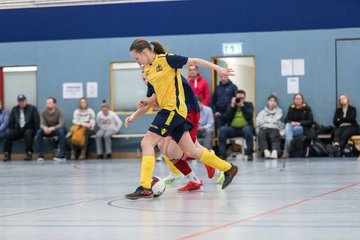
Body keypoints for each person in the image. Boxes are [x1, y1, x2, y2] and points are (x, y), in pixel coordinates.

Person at [125, 38, 238, 200]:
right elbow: (153, 98)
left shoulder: (167, 59)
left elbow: (194, 60)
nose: (137, 62)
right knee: (191, 150)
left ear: (144, 52)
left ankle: (144, 186)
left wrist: (218, 68)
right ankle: (229, 168)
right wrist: (140, 109)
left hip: (173, 110)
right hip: (171, 112)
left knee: (147, 143)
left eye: (136, 58)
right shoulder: (148, 71)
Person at [126, 70, 215, 192]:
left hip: (186, 114)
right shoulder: (153, 85)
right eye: (143, 79)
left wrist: (140, 110)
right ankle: (194, 180)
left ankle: (208, 156)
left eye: (147, 78)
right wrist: (134, 116)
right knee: (163, 147)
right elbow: (151, 104)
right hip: (171, 116)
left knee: (179, 151)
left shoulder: (163, 75)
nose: (146, 81)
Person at [218, 90, 255, 161]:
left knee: (248, 130)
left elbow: (250, 116)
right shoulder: (231, 105)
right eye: (238, 98)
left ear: (245, 98)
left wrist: (243, 107)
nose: (240, 100)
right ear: (235, 98)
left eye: (242, 98)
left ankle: (249, 154)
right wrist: (232, 106)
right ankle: (222, 154)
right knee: (222, 130)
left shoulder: (249, 104)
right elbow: (227, 118)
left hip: (245, 128)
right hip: (233, 128)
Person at [3, 94, 40, 161]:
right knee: (8, 134)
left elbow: (36, 121)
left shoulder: (32, 108)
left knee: (28, 133)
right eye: (20, 101)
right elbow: (11, 122)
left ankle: (28, 153)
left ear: (26, 101)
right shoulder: (14, 109)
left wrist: (37, 133)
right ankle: (7, 154)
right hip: (18, 129)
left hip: (29, 129)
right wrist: (11, 131)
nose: (21, 102)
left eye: (23, 101)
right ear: (18, 102)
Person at [282, 93, 314, 159]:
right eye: (296, 99)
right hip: (291, 127)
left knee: (288, 132)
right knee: (288, 125)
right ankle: (289, 140)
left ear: (302, 100)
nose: (298, 100)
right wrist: (292, 122)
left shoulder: (307, 108)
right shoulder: (291, 108)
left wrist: (299, 123)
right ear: (294, 100)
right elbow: (286, 120)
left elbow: (311, 121)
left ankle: (286, 151)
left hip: (302, 128)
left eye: (299, 98)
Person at [35, 97, 67, 161]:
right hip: (47, 131)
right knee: (39, 132)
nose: (48, 104)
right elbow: (41, 124)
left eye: (50, 103)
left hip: (57, 130)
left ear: (54, 104)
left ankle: (62, 154)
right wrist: (45, 128)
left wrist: (53, 128)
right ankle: (40, 154)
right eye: (47, 103)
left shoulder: (60, 112)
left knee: (61, 131)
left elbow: (62, 124)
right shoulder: (43, 112)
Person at [256, 95, 283, 159]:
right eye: (271, 101)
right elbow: (258, 121)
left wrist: (265, 120)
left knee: (275, 136)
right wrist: (270, 121)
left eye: (274, 101)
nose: (272, 102)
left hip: (274, 128)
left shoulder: (279, 111)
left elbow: (276, 120)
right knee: (261, 134)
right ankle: (266, 151)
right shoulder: (262, 112)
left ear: (276, 103)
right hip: (264, 128)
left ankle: (275, 152)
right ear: (268, 102)